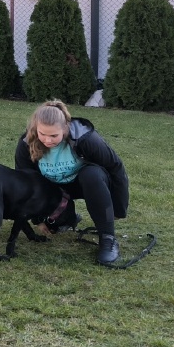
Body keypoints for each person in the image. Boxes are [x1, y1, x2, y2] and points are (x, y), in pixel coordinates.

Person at [13, 99, 130, 266]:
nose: (47, 140)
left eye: (54, 135)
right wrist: (37, 218)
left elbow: (115, 167)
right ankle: (68, 218)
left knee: (92, 175)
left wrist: (118, 208)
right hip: (54, 187)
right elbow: (25, 183)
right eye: (42, 134)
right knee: (54, 224)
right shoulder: (27, 144)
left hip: (85, 183)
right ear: (35, 128)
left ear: (65, 128)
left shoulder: (86, 138)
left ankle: (108, 239)